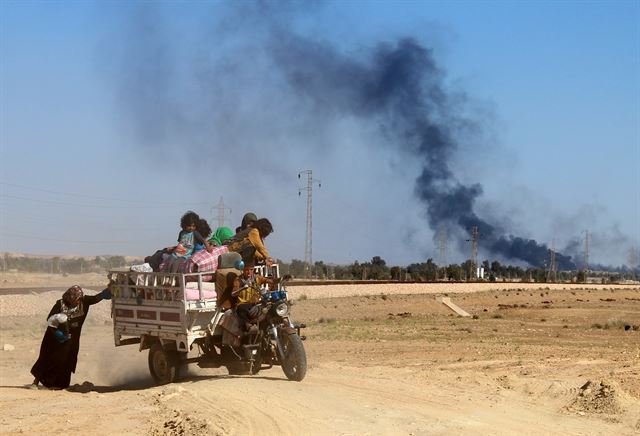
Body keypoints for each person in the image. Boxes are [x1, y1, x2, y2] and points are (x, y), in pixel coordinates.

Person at [30, 285, 112, 390]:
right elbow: (50, 320)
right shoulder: (60, 304)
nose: (78, 301)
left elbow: (97, 298)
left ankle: (60, 385)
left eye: (79, 299)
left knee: (66, 361)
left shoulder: (84, 301)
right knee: (47, 358)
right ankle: (35, 382)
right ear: (71, 297)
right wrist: (59, 333)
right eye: (77, 299)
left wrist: (109, 290)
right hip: (54, 336)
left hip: (71, 340)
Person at [233, 262, 278, 332]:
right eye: (246, 270)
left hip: (256, 303)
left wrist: (281, 279)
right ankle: (247, 325)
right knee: (241, 309)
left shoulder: (256, 278)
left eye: (251, 270)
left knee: (270, 306)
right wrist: (241, 288)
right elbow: (233, 293)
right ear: (243, 270)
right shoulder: (238, 280)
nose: (249, 272)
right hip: (244, 304)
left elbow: (270, 281)